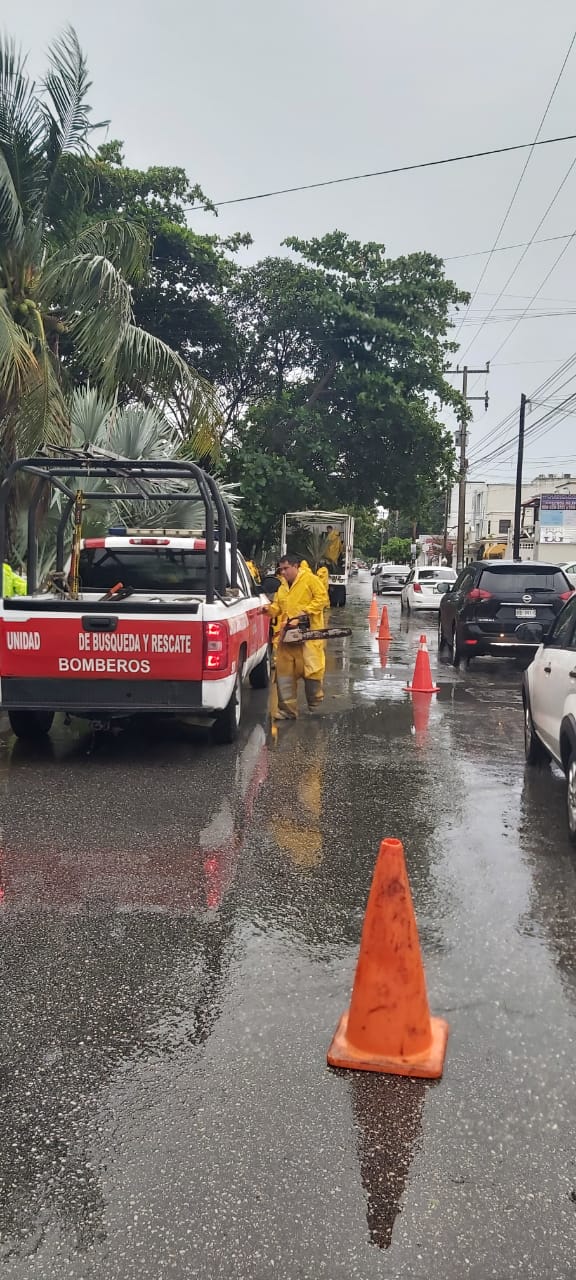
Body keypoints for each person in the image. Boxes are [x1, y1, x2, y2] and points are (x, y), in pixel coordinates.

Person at [269, 554, 330, 719]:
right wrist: (268, 609)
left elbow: (322, 598)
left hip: (308, 636)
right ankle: (288, 711)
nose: (283, 572)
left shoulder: (310, 580)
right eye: (280, 569)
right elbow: (277, 606)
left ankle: (314, 699)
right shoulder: (282, 587)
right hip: (287, 637)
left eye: (286, 568)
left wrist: (306, 612)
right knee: (284, 674)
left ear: (296, 566)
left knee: (312, 671)